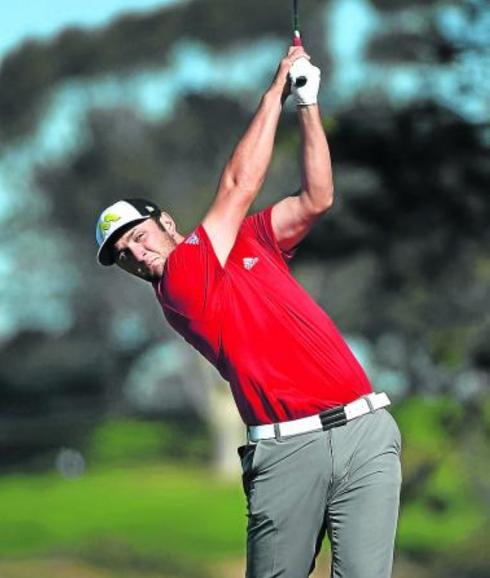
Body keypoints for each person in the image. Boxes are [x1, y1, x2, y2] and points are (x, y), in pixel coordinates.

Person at [95, 46, 402, 578]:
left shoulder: (245, 240)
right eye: (123, 256)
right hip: (287, 453)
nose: (137, 255)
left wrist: (307, 104)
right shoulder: (181, 286)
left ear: (166, 222)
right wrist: (276, 90)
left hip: (364, 429)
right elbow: (239, 184)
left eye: (139, 238)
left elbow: (316, 198)